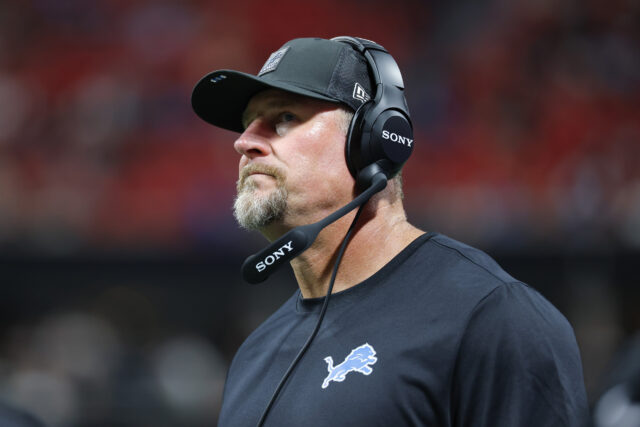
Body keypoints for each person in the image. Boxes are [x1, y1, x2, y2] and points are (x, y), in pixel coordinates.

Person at [191, 37, 588, 426]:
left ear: (372, 141)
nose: (244, 142)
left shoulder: (491, 318)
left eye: (284, 118)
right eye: (247, 125)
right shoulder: (254, 355)